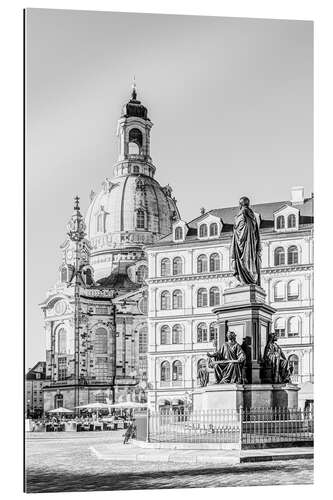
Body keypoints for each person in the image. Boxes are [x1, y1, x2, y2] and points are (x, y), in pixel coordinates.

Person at [231, 196, 261, 286]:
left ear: (240, 205)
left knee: (242, 260)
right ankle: (250, 276)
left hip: (242, 245)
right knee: (250, 260)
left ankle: (244, 279)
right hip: (251, 245)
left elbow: (238, 230)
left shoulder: (241, 215)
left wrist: (237, 234)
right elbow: (255, 233)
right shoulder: (253, 217)